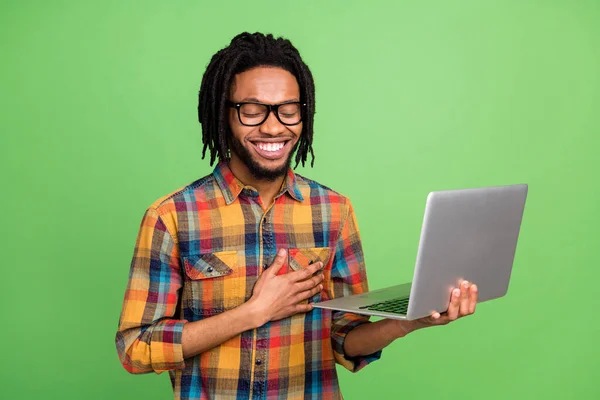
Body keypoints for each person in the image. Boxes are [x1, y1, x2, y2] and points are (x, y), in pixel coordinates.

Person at [115, 32, 478, 400]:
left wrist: (409, 322)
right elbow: (135, 348)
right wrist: (253, 312)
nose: (273, 127)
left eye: (288, 111)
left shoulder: (334, 212)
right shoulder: (172, 216)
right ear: (223, 115)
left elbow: (345, 339)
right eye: (252, 111)